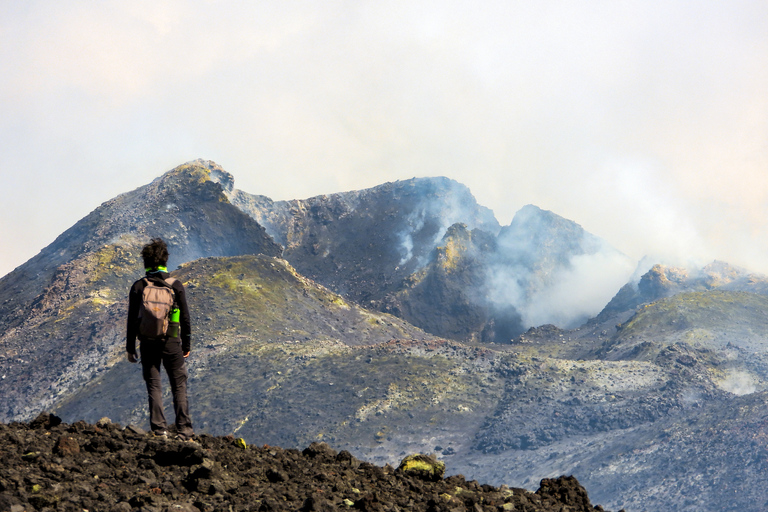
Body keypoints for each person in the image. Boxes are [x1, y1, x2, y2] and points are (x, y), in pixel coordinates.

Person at [126, 238, 194, 440]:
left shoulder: (139, 286)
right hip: (172, 341)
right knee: (179, 385)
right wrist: (186, 344)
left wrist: (131, 347)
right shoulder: (175, 285)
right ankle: (184, 430)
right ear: (166, 260)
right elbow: (186, 318)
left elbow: (131, 320)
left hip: (147, 342)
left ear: (145, 261)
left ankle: (160, 430)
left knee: (154, 385)